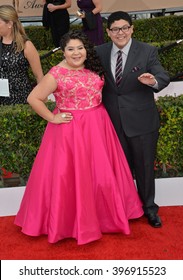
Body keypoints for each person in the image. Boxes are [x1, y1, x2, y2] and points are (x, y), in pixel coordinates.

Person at [14, 30, 143, 245]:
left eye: (80, 48)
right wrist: (52, 118)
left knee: (101, 173)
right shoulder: (56, 73)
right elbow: (34, 98)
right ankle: (69, 223)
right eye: (71, 49)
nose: (76, 53)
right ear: (63, 52)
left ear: (86, 49)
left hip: (99, 126)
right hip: (69, 131)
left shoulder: (94, 66)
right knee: (68, 176)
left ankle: (104, 218)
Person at [95, 11, 170, 228]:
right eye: (115, 29)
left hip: (142, 122)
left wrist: (153, 80)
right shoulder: (99, 52)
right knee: (119, 169)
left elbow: (162, 75)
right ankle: (124, 209)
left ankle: (149, 209)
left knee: (145, 168)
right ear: (108, 33)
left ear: (132, 29)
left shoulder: (147, 51)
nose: (121, 33)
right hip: (111, 123)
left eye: (125, 28)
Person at [0, 5, 43, 105]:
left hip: (21, 97)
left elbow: (39, 75)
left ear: (9, 24)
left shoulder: (26, 45)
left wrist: (42, 99)